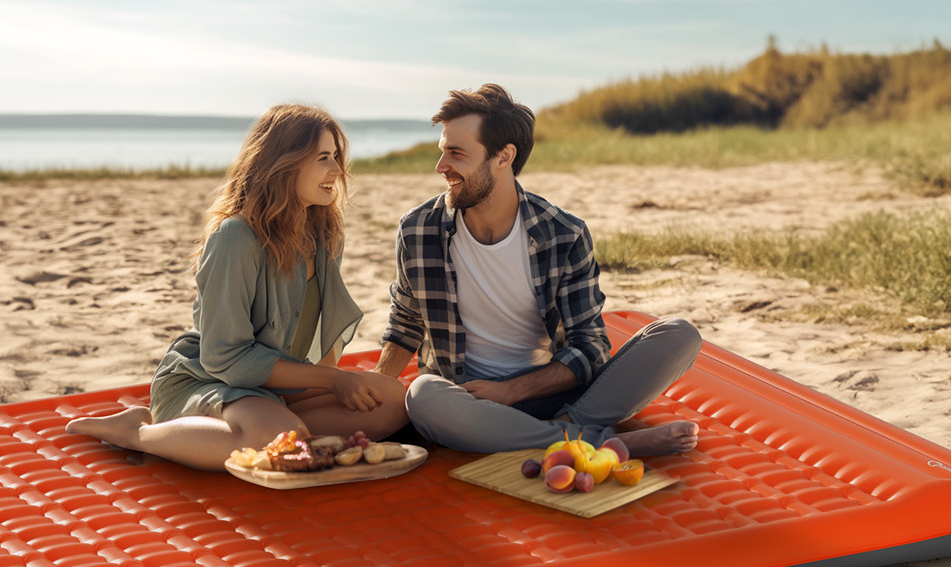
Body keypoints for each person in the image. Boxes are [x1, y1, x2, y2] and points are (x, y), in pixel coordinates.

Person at [68, 104, 409, 471]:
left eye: (337, 157)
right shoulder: (235, 237)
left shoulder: (324, 234)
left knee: (391, 398)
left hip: (278, 389)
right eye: (323, 157)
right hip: (209, 379)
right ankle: (136, 432)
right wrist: (331, 380)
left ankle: (279, 429)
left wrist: (330, 384)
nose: (337, 170)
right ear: (284, 163)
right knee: (276, 437)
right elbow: (224, 357)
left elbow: (321, 337)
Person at [373, 84, 703, 455]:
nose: (441, 166)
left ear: (503, 157)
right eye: (441, 152)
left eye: (456, 153)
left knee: (680, 334)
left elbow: (589, 347)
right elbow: (405, 325)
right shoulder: (418, 230)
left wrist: (512, 391)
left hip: (552, 396)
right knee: (422, 394)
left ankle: (561, 431)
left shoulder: (564, 233)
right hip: (466, 400)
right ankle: (594, 442)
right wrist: (374, 400)